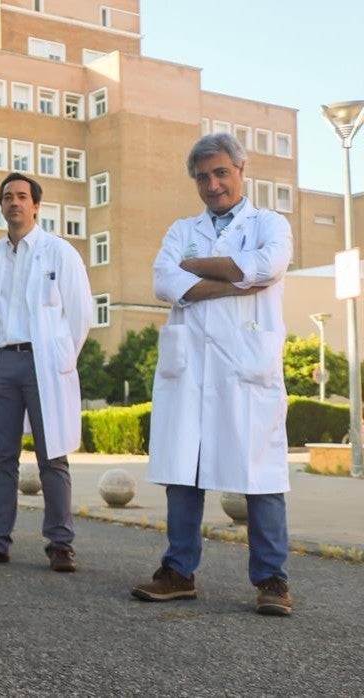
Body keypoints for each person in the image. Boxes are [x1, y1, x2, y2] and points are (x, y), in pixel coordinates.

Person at [132, 133, 294, 616]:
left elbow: (269, 266)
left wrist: (195, 271)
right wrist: (235, 280)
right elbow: (164, 280)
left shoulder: (270, 223)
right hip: (191, 368)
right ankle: (178, 571)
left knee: (260, 474)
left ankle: (272, 580)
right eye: (203, 176)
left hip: (246, 366)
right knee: (184, 471)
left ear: (241, 169)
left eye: (221, 172)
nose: (213, 184)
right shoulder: (181, 228)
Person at [0, 173, 92, 573]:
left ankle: (60, 544)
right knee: (3, 457)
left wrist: (62, 358)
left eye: (21, 196)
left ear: (36, 205)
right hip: (2, 361)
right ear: (0, 206)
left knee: (53, 457)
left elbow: (81, 313)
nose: (14, 202)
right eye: (7, 197)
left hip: (43, 363)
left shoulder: (59, 252)